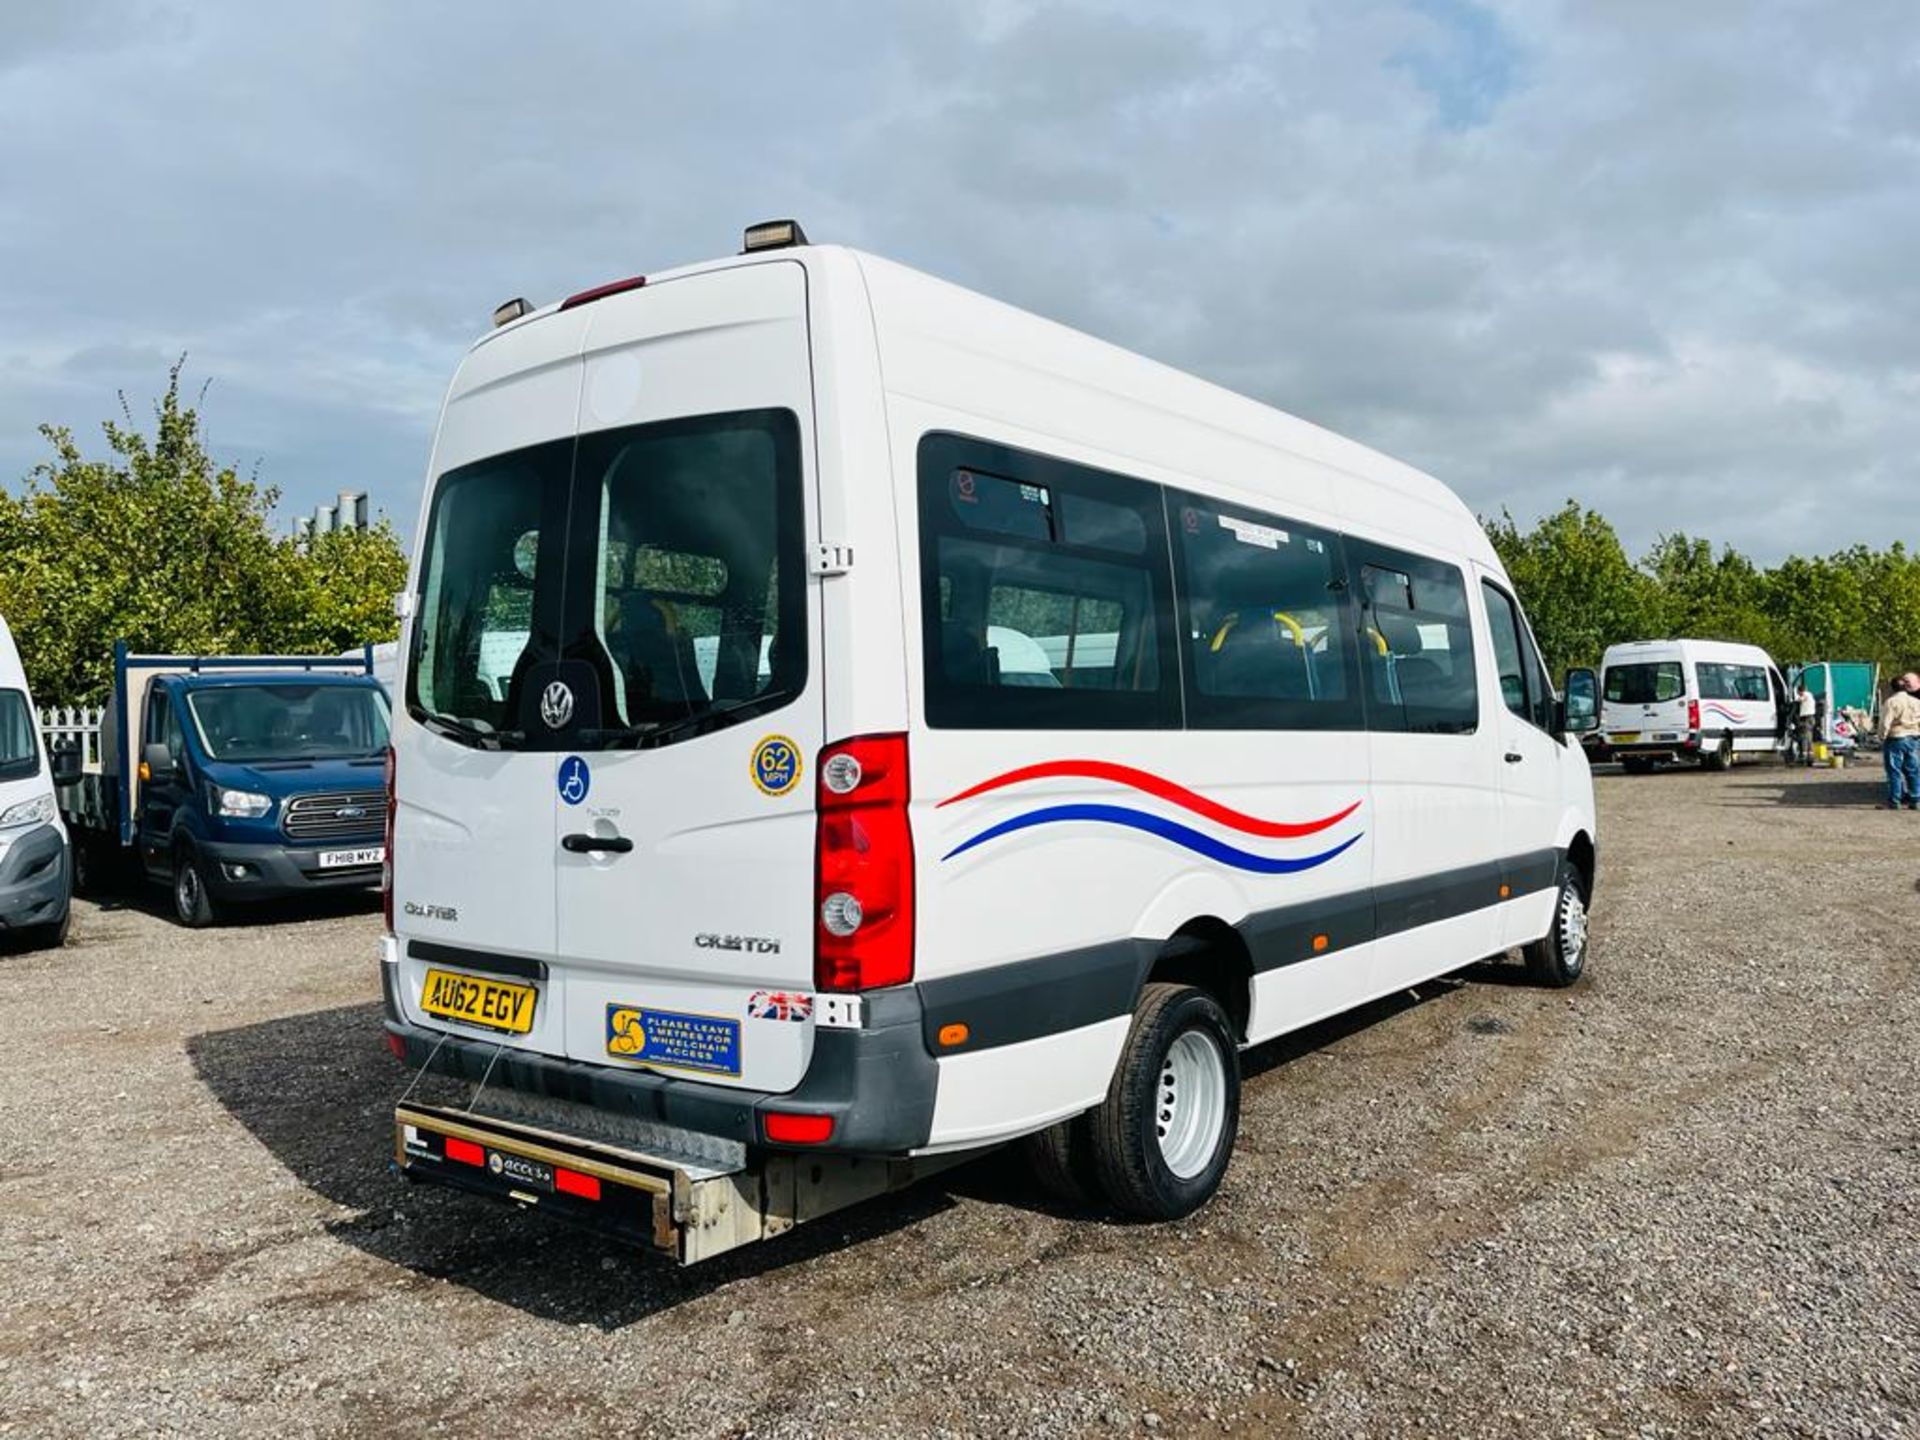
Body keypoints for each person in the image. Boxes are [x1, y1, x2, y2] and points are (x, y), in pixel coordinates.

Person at [1878, 673, 1920, 809]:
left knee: (1894, 771)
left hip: (1896, 737)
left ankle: (1895, 800)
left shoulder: (1891, 702)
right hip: (1913, 737)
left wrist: (1882, 737)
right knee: (1913, 770)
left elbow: (1885, 723)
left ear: (1892, 688)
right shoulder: (1916, 702)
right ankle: (1915, 799)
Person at [1793, 681, 1817, 767]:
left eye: (1798, 692)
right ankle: (1810, 757)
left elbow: (1798, 700)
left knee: (1804, 737)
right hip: (1811, 718)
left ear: (1800, 691)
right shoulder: (1810, 695)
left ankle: (1803, 757)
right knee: (1809, 737)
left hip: (1806, 719)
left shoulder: (1805, 695)